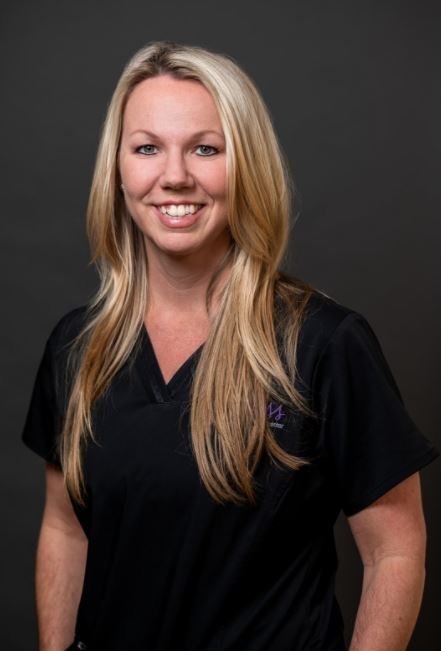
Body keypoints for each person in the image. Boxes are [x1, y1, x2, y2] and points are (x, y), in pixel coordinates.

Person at [21, 40, 438, 651]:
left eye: (206, 149)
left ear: (247, 165)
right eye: (147, 148)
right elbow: (66, 530)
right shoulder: (77, 348)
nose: (174, 176)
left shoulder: (322, 344)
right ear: (117, 169)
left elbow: (395, 551)